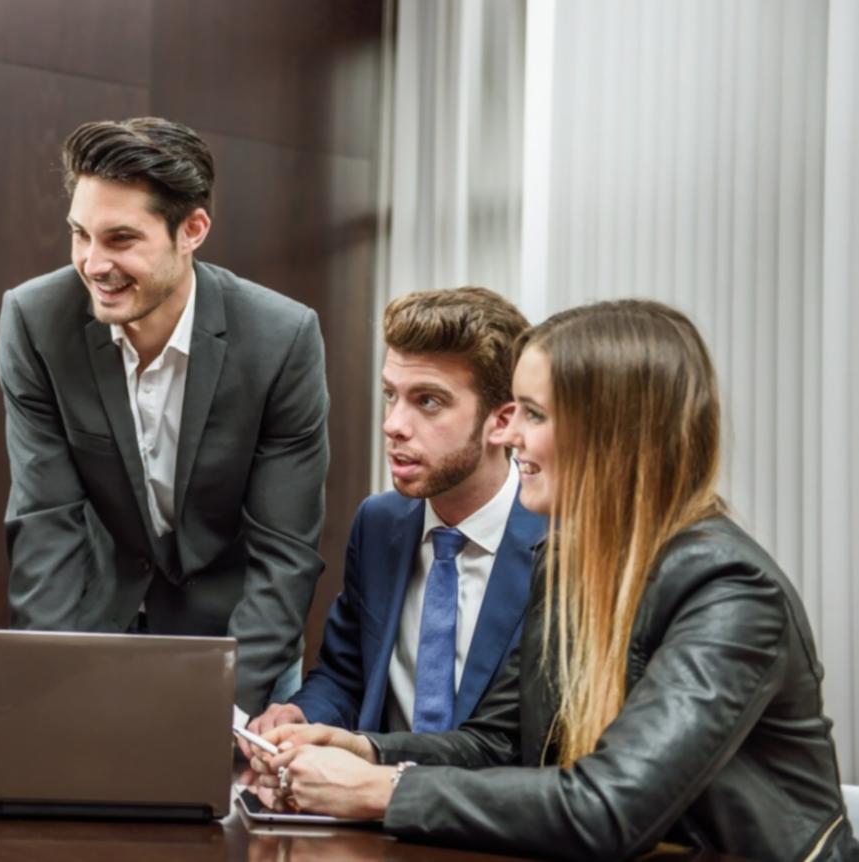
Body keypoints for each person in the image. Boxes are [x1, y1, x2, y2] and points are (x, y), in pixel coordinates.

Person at [251, 300, 858, 861]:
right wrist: (365, 750)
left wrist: (383, 789)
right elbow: (496, 745)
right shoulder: (568, 559)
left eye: (535, 415)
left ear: (613, 434)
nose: (510, 434)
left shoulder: (729, 587)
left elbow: (611, 806)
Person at [0, 117, 329, 755]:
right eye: (80, 234)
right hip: (93, 637)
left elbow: (285, 550)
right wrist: (37, 697)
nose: (93, 264)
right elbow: (46, 524)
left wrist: (226, 713)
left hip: (239, 644)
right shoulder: (35, 320)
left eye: (121, 239)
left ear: (193, 231)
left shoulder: (281, 338)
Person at [246, 288, 545, 745]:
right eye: (391, 395)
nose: (393, 424)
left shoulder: (560, 543)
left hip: (492, 806)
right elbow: (347, 676)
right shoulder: (380, 522)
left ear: (501, 422)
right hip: (364, 810)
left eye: (428, 401)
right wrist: (304, 717)